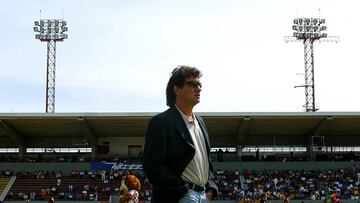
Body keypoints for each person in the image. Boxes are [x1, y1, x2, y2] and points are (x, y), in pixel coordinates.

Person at [143, 65, 218, 203]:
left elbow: (207, 163)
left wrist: (211, 191)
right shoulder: (161, 122)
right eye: (192, 84)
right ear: (176, 89)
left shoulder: (201, 122)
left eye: (199, 84)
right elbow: (152, 165)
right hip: (179, 197)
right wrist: (182, 191)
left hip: (203, 196)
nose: (199, 88)